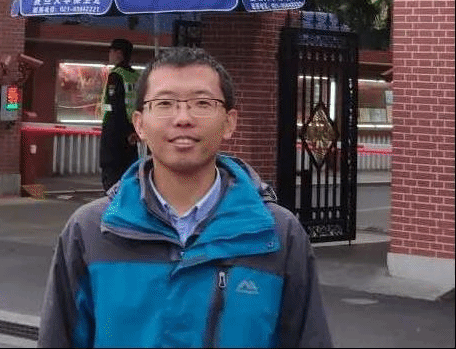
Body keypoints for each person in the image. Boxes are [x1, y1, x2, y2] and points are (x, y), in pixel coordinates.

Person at [38, 46, 333, 348]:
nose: (183, 118)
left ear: (229, 122)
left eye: (202, 103)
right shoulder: (91, 231)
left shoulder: (277, 234)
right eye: (164, 103)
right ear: (139, 124)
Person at [98, 38, 141, 192]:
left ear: (119, 53)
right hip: (132, 132)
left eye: (111, 51)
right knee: (129, 172)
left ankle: (113, 203)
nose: (109, 54)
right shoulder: (136, 76)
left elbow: (115, 106)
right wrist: (133, 131)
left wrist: (124, 131)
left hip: (114, 132)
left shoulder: (116, 75)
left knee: (111, 172)